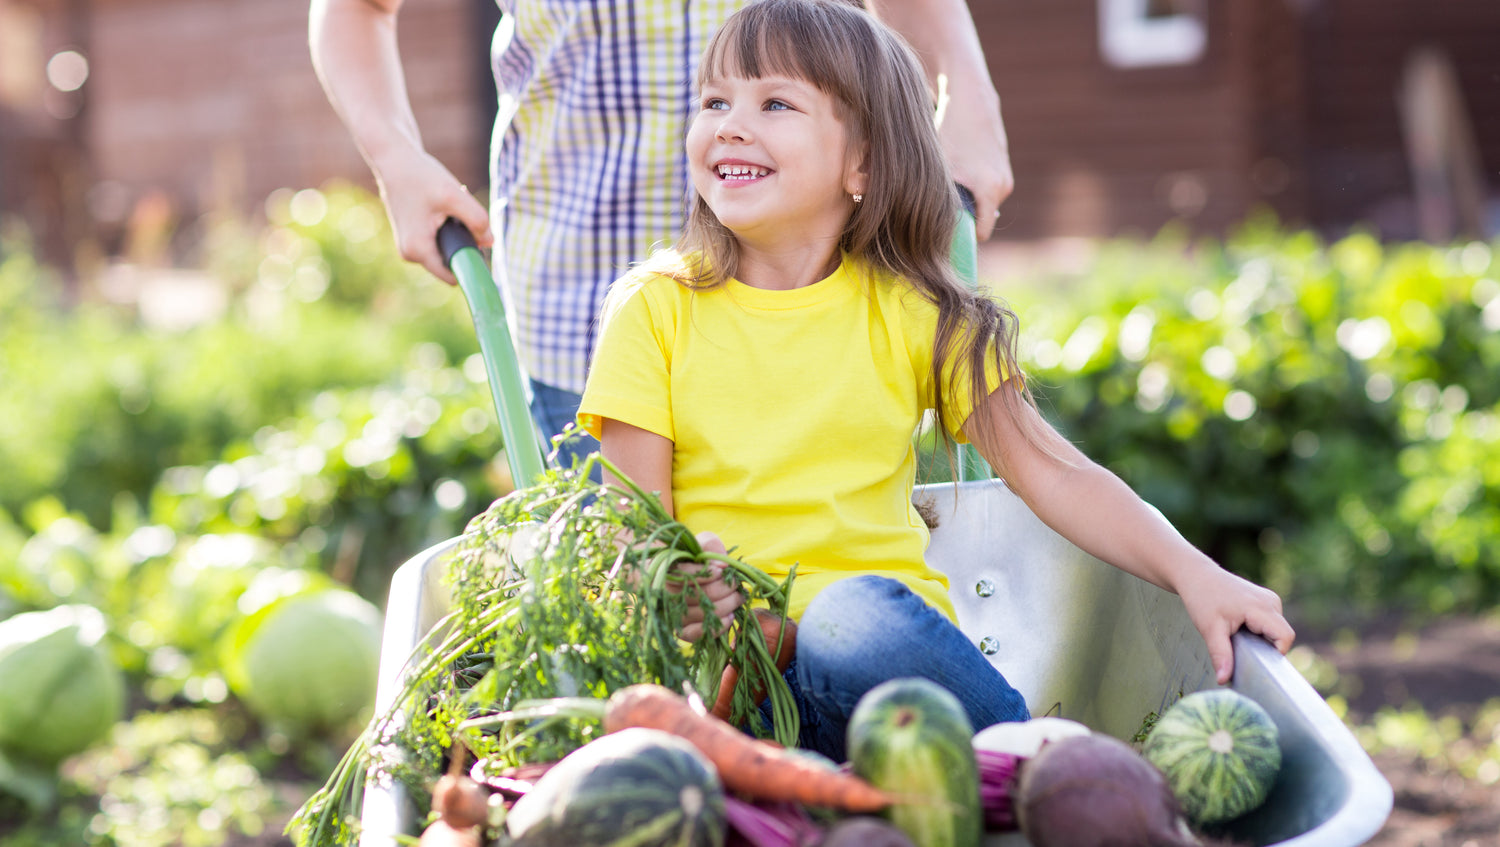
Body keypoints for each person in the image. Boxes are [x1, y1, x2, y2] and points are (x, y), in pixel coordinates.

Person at [576, 0, 1295, 760]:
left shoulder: (912, 312)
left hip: (890, 672)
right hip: (736, 698)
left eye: (775, 103)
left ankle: (1030, 764)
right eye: (714, 101)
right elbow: (633, 540)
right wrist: (683, 591)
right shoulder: (655, 309)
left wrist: (1196, 573)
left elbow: (1057, 474)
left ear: (862, 162)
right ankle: (1017, 772)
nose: (728, 123)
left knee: (850, 616)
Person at [308, 0, 1014, 469]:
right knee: (639, 621)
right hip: (579, 305)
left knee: (825, 601)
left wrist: (971, 93)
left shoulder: (906, 324)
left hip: (817, 318)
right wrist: (395, 158)